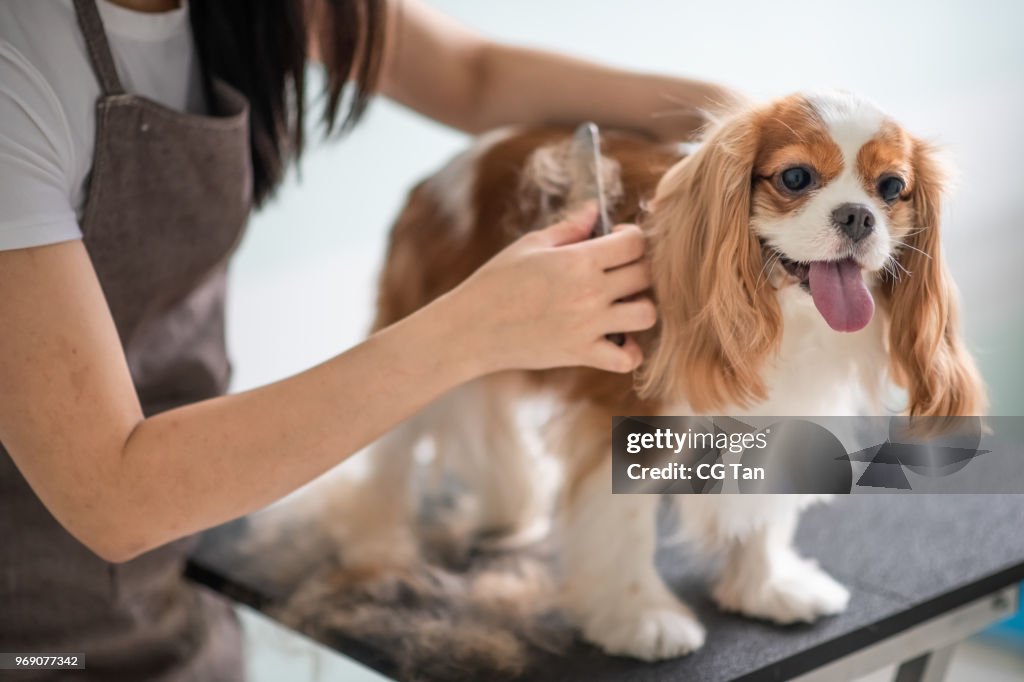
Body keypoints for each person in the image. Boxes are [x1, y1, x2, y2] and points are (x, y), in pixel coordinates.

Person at [0, 0, 737, 679]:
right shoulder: (18, 67)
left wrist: (741, 126)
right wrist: (470, 329)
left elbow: (473, 76)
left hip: (181, 594)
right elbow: (113, 498)